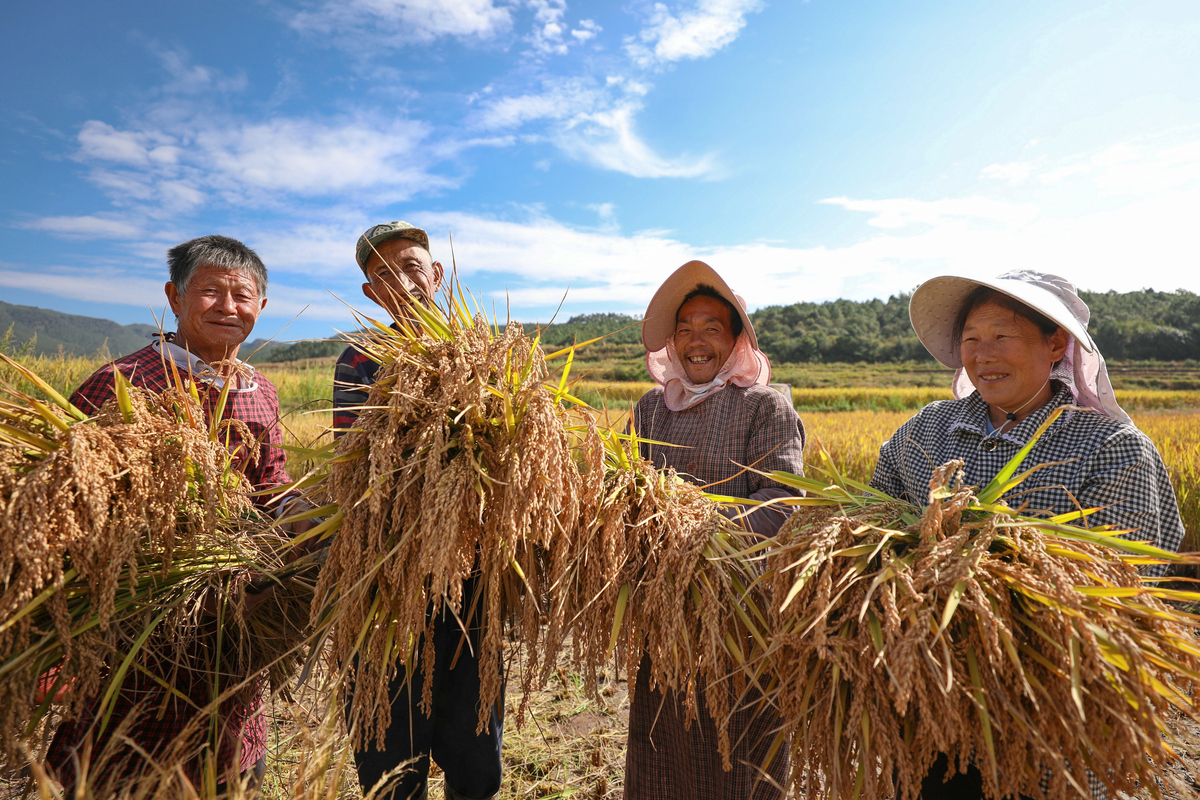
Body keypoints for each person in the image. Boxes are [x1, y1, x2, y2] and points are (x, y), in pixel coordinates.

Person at [870, 269, 1185, 800]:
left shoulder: (1112, 448)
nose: (982, 354)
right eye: (971, 339)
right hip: (922, 710)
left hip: (1047, 724)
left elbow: (1126, 594)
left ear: (1056, 342)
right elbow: (871, 524)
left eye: (1002, 336)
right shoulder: (925, 432)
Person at [45, 234, 297, 791]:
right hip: (132, 626)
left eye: (243, 294)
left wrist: (304, 518)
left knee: (229, 762)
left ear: (261, 306)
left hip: (232, 623)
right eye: (210, 292)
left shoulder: (260, 391)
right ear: (174, 298)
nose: (229, 307)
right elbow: (63, 503)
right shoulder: (121, 383)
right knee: (123, 766)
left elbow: (269, 483)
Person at [333, 221, 503, 800]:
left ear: (438, 273)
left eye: (412, 266)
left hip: (473, 578)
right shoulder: (359, 360)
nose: (401, 282)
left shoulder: (491, 351)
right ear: (370, 294)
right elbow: (357, 466)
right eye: (383, 275)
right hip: (387, 574)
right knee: (389, 753)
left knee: (475, 750)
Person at [624, 260, 806, 800]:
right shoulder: (651, 409)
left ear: (735, 342)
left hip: (741, 615)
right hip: (663, 610)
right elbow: (626, 491)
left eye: (711, 329)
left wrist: (688, 525)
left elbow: (782, 502)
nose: (695, 341)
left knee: (740, 750)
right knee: (663, 740)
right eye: (684, 329)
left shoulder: (765, 408)